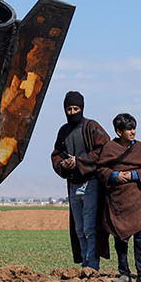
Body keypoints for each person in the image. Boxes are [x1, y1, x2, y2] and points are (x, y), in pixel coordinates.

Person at [85, 113, 141, 282]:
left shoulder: (140, 148)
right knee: (120, 240)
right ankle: (124, 273)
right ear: (119, 131)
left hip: (136, 201)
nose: (133, 132)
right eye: (128, 129)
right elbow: (101, 169)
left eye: (134, 128)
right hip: (117, 201)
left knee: (140, 240)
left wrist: (134, 174)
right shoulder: (110, 148)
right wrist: (115, 176)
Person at [49, 91, 109, 270]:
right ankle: (85, 264)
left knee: (90, 228)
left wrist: (79, 161)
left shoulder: (92, 127)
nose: (72, 112)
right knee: (79, 229)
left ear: (81, 108)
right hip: (73, 185)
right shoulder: (64, 131)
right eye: (69, 109)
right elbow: (56, 154)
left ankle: (92, 266)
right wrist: (63, 164)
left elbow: (105, 150)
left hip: (91, 183)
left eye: (75, 108)